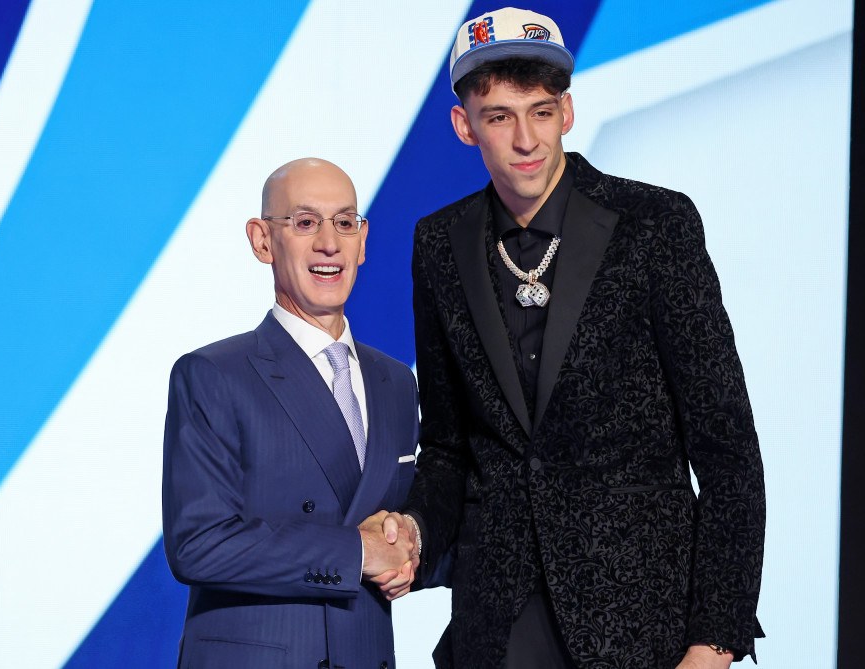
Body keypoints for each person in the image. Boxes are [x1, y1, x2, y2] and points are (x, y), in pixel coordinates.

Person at [390, 7, 767, 668]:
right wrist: (414, 531)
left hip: (640, 626)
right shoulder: (439, 244)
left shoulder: (654, 224)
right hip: (497, 624)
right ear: (464, 125)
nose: (526, 138)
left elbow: (727, 448)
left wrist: (715, 641)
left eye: (540, 110)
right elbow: (447, 444)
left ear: (566, 111)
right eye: (500, 116)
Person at [162, 158, 420, 669]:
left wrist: (412, 537)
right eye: (305, 223)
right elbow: (198, 544)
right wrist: (357, 553)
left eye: (345, 223)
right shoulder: (213, 374)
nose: (329, 242)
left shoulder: (395, 382)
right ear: (262, 241)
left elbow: (402, 518)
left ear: (363, 240)